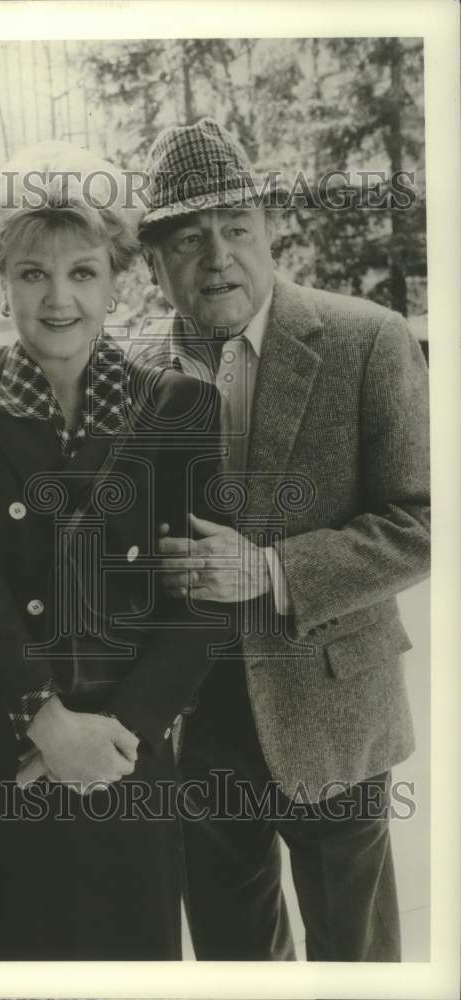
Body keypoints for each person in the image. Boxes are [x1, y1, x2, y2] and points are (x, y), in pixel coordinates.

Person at [0, 141, 231, 960]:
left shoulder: (181, 404)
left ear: (116, 280)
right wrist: (44, 721)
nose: (58, 299)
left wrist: (113, 736)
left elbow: (201, 599)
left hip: (126, 757)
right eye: (32, 274)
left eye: (82, 273)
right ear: (2, 281)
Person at [136, 117, 430, 961]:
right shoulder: (130, 368)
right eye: (189, 240)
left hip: (332, 702)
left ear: (270, 232)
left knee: (355, 953)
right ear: (155, 265)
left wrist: (271, 569)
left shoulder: (366, 338)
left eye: (236, 229)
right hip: (196, 717)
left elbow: (422, 520)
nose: (218, 256)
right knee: (234, 953)